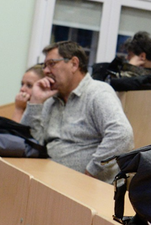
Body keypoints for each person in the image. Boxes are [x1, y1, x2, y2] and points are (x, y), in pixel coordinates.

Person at [22, 41, 134, 182]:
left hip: (87, 187)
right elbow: (29, 144)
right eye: (44, 66)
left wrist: (93, 170)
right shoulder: (50, 100)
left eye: (52, 63)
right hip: (48, 180)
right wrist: (35, 101)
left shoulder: (98, 92)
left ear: (74, 64)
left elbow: (122, 135)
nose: (46, 71)